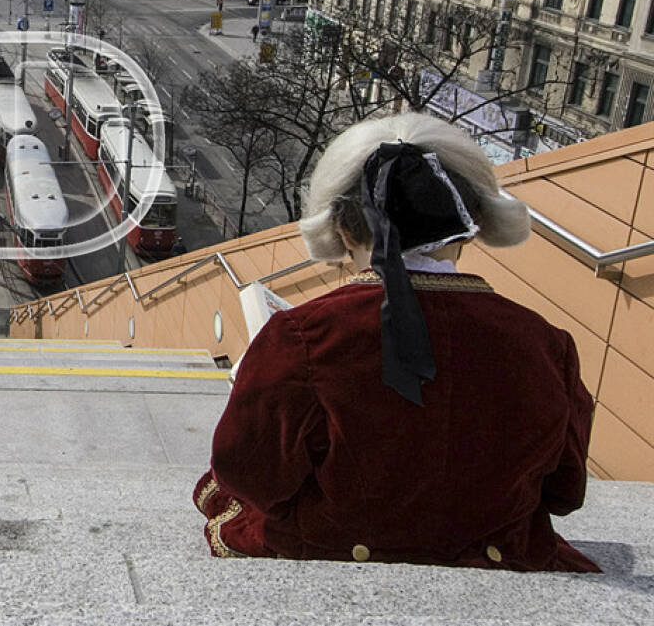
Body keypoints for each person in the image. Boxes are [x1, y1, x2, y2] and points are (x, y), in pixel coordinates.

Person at [193, 113, 598, 572]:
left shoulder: (302, 334)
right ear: (472, 223)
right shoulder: (547, 343)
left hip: (334, 548)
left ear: (343, 228)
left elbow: (248, 475)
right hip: (499, 559)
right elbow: (566, 490)